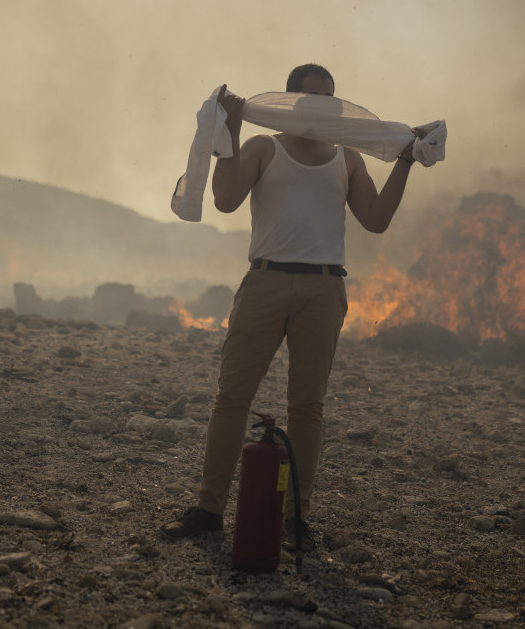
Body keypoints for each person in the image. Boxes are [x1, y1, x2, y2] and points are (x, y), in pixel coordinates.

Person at [160, 63, 428, 548]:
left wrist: (406, 161)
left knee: (307, 407)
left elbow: (376, 219)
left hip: (324, 290)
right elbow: (224, 200)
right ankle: (208, 509)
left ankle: (294, 519)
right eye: (311, 98)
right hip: (266, 281)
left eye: (329, 97)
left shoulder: (347, 159)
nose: (321, 105)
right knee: (232, 399)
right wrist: (234, 129)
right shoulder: (265, 147)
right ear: (291, 102)